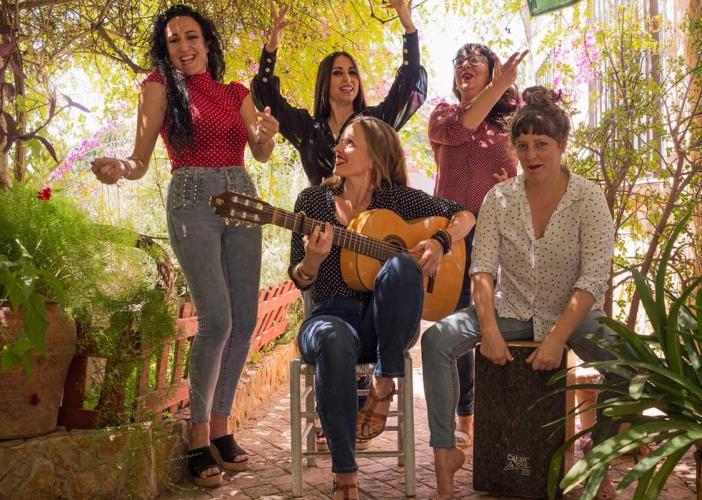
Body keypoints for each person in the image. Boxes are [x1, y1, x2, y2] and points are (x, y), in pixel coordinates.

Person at [90, 5, 279, 488]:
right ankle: (197, 436)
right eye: (173, 40)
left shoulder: (236, 92)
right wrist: (120, 168)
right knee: (217, 320)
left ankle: (221, 426)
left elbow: (258, 151)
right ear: (166, 49)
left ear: (207, 43)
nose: (184, 46)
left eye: (191, 36)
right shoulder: (160, 87)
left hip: (242, 197)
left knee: (245, 320)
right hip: (193, 198)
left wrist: (267, 136)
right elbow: (140, 159)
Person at [421, 86, 621, 499]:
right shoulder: (498, 198)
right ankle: (445, 455)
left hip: (573, 315)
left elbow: (592, 278)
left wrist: (557, 338)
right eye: (523, 145)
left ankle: (598, 454)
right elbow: (482, 269)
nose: (532, 154)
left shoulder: (588, 198)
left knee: (630, 363)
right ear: (513, 149)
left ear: (562, 144)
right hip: (510, 309)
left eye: (542, 144)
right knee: (436, 340)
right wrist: (489, 330)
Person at [290, 116, 475, 499]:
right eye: (340, 142)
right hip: (329, 316)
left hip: (386, 325)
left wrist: (439, 241)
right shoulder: (313, 202)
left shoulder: (397, 200)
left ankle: (383, 382)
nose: (338, 149)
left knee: (403, 264)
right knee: (333, 340)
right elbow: (300, 278)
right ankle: (345, 477)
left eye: (350, 143)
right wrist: (313, 259)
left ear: (376, 156)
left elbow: (465, 215)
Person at [427, 43, 526, 448]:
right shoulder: (443, 115)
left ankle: (495, 414)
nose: (465, 65)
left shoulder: (508, 125)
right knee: (455, 323)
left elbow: (526, 171)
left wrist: (512, 185)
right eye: (459, 60)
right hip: (450, 234)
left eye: (475, 60)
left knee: (492, 320)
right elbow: (462, 128)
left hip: (493, 233)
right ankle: (463, 416)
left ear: (490, 70)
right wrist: (499, 85)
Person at [252, 0, 426, 187]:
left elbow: (409, 83)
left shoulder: (374, 123)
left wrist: (409, 29)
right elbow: (265, 92)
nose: (347, 79)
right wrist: (271, 48)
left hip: (369, 207)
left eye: (352, 73)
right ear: (325, 82)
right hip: (317, 207)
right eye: (337, 73)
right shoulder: (308, 128)